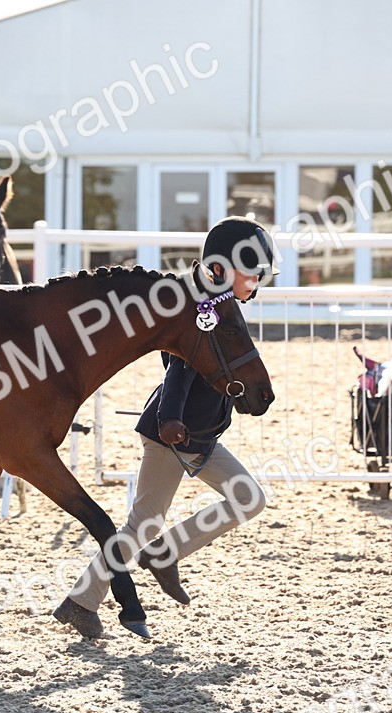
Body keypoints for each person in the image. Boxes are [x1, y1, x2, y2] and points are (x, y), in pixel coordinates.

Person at [53, 216, 280, 640]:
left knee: (248, 498)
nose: (259, 282)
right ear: (220, 268)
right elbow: (179, 368)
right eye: (253, 273)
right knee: (143, 521)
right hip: (170, 436)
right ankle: (81, 601)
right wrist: (170, 418)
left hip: (201, 437)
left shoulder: (220, 308)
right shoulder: (202, 313)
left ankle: (165, 552)